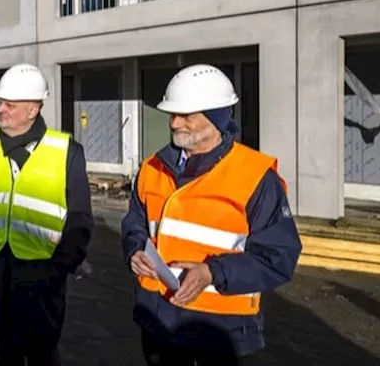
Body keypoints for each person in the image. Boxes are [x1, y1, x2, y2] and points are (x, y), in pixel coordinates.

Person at [121, 64, 302, 365]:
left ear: (216, 119)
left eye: (187, 115)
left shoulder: (256, 177)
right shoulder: (152, 167)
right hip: (158, 323)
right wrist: (134, 249)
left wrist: (212, 273)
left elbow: (278, 257)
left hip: (221, 331)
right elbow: (135, 223)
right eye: (173, 114)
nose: (175, 123)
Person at [0, 63, 94, 366]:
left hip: (41, 276)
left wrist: (58, 268)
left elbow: (79, 219)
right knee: (7, 351)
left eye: (9, 104)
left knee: (43, 353)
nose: (0, 109)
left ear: (33, 109)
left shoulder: (66, 150)